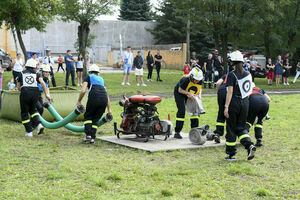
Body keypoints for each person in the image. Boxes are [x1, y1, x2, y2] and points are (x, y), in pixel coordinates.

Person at [223, 50, 256, 161]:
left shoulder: (231, 75)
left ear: (232, 62)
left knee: (231, 128)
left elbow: (230, 92)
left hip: (234, 103)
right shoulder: (248, 74)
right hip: (245, 103)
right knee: (241, 128)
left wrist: (226, 106)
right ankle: (249, 145)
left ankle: (231, 154)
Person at [77, 64, 112, 144]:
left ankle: (88, 135)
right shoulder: (101, 80)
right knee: (95, 119)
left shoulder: (88, 77)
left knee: (88, 116)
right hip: (103, 100)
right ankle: (92, 138)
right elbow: (106, 95)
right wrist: (109, 109)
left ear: (90, 71)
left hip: (94, 98)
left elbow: (83, 90)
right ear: (98, 73)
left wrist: (79, 101)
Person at [16, 59, 51, 137]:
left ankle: (29, 132)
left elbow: (18, 86)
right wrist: (47, 94)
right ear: (34, 67)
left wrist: (21, 89)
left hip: (25, 93)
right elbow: (42, 83)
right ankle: (39, 125)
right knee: (33, 111)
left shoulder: (21, 73)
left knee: (24, 113)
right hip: (35, 93)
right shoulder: (37, 73)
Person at [173, 67, 204, 139]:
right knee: (181, 111)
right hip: (180, 93)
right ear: (191, 76)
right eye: (195, 80)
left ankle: (194, 131)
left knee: (195, 111)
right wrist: (189, 93)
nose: (197, 81)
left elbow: (199, 88)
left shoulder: (199, 80)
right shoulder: (185, 80)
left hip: (190, 93)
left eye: (198, 80)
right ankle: (177, 132)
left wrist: (199, 95)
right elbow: (180, 90)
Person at [213, 73, 229, 143]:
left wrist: (218, 91)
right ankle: (229, 134)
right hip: (229, 92)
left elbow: (218, 83)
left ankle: (218, 133)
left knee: (221, 112)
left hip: (221, 91)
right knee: (230, 112)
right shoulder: (237, 75)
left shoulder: (225, 75)